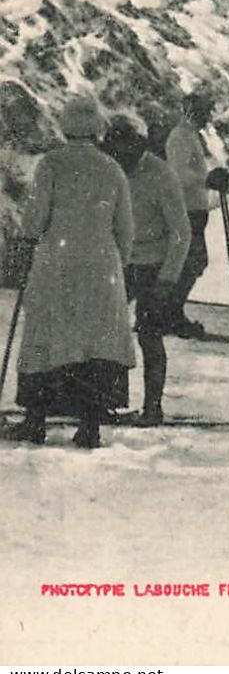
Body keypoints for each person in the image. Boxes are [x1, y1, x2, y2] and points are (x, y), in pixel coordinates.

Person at [4, 96, 135, 449]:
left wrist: (27, 245)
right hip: (101, 265)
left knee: (47, 336)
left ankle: (35, 420)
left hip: (55, 263)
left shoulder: (52, 164)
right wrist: (116, 266)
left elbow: (33, 220)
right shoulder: (112, 168)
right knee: (95, 343)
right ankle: (89, 424)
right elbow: (125, 229)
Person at [103, 116, 190, 426]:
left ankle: (153, 407)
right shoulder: (109, 168)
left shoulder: (161, 174)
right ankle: (105, 402)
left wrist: (169, 277)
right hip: (119, 262)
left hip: (154, 265)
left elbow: (181, 231)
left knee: (149, 335)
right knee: (106, 331)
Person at [163, 90, 214, 336]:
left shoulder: (188, 135)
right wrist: (207, 179)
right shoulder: (181, 137)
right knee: (190, 262)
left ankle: (171, 312)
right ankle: (171, 314)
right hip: (187, 208)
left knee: (190, 262)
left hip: (193, 208)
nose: (209, 115)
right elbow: (179, 174)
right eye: (206, 110)